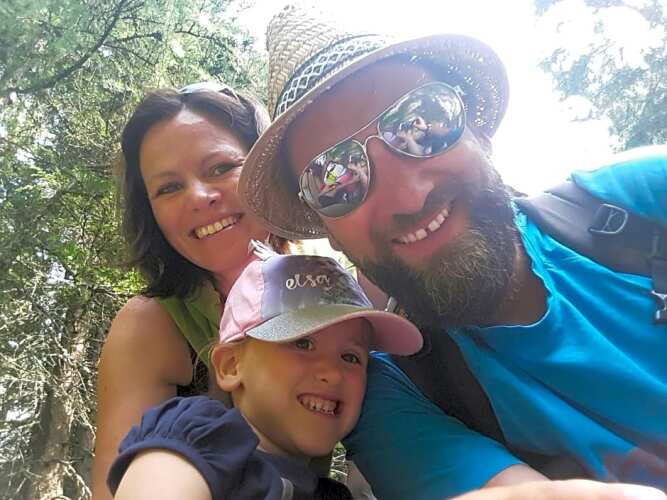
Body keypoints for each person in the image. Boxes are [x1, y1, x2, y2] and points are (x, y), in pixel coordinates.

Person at [237, 5, 667, 500]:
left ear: (478, 130)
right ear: (328, 231)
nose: (409, 198)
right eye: (335, 180)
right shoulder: (394, 400)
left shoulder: (639, 200)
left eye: (422, 123)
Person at [92, 83, 289, 499]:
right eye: (168, 188)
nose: (198, 198)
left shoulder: (330, 282)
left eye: (220, 167)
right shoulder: (152, 324)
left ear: (267, 168)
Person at [105, 251, 423, 499]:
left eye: (351, 357)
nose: (332, 372)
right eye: (302, 342)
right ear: (231, 365)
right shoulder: (201, 439)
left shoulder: (329, 493)